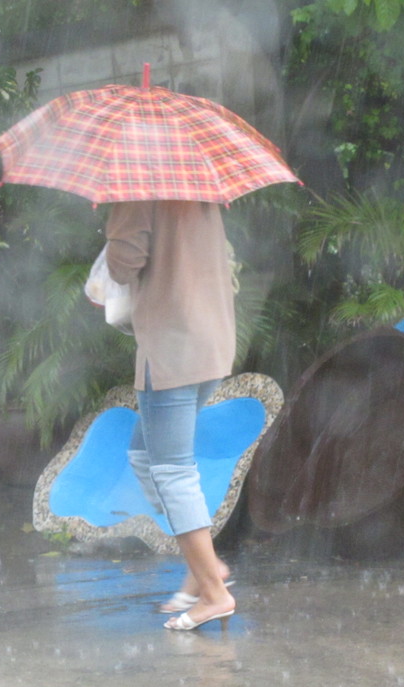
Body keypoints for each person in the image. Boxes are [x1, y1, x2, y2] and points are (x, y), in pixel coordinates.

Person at [104, 199, 237, 631]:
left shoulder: (136, 188)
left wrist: (112, 238)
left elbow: (124, 262)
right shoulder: (199, 190)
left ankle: (214, 593)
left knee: (171, 471)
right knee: (144, 457)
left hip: (172, 348)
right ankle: (208, 567)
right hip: (210, 340)